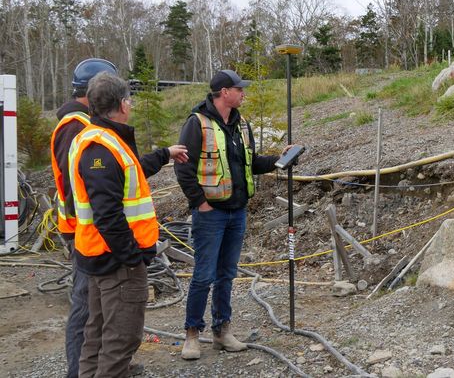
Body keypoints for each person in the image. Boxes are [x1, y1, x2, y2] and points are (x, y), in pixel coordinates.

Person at [69, 72, 188, 377]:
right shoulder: (101, 148)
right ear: (123, 103)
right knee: (120, 341)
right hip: (116, 262)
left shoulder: (99, 139)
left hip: (99, 257)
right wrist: (132, 258)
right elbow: (107, 214)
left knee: (96, 339)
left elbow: (129, 172)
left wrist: (165, 154)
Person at [175, 69, 293, 360]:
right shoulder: (197, 124)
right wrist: (200, 203)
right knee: (203, 275)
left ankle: (222, 331)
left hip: (237, 212)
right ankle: (191, 334)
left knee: (226, 275)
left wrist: (281, 159)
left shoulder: (242, 126)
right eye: (239, 89)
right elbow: (183, 168)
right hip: (210, 214)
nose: (244, 93)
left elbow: (250, 164)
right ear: (224, 92)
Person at [50, 58, 124, 378]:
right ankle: (76, 372)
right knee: (85, 308)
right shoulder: (75, 127)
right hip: (86, 234)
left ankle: (106, 364)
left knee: (104, 307)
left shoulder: (83, 124)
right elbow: (75, 189)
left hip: (93, 231)